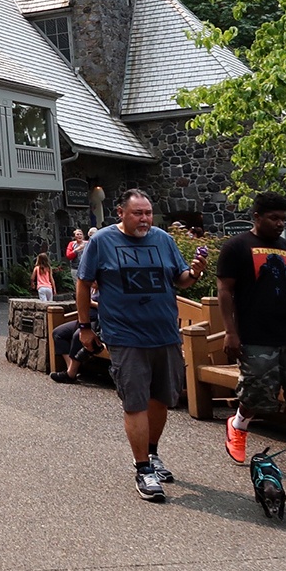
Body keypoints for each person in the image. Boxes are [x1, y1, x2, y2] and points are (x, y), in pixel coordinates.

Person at [76, 189, 208, 502]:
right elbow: (83, 284)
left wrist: (196, 271)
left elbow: (181, 279)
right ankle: (143, 468)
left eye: (148, 213)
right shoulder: (102, 241)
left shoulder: (163, 239)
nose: (145, 219)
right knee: (135, 401)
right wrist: (84, 327)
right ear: (121, 213)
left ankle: (152, 453)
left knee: (161, 399)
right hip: (125, 336)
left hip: (164, 333)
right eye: (138, 213)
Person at [217, 192, 286, 483]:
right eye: (273, 218)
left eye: (283, 218)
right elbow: (225, 291)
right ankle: (238, 424)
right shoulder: (236, 247)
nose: (280, 223)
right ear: (257, 217)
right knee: (258, 394)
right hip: (256, 335)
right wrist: (231, 332)